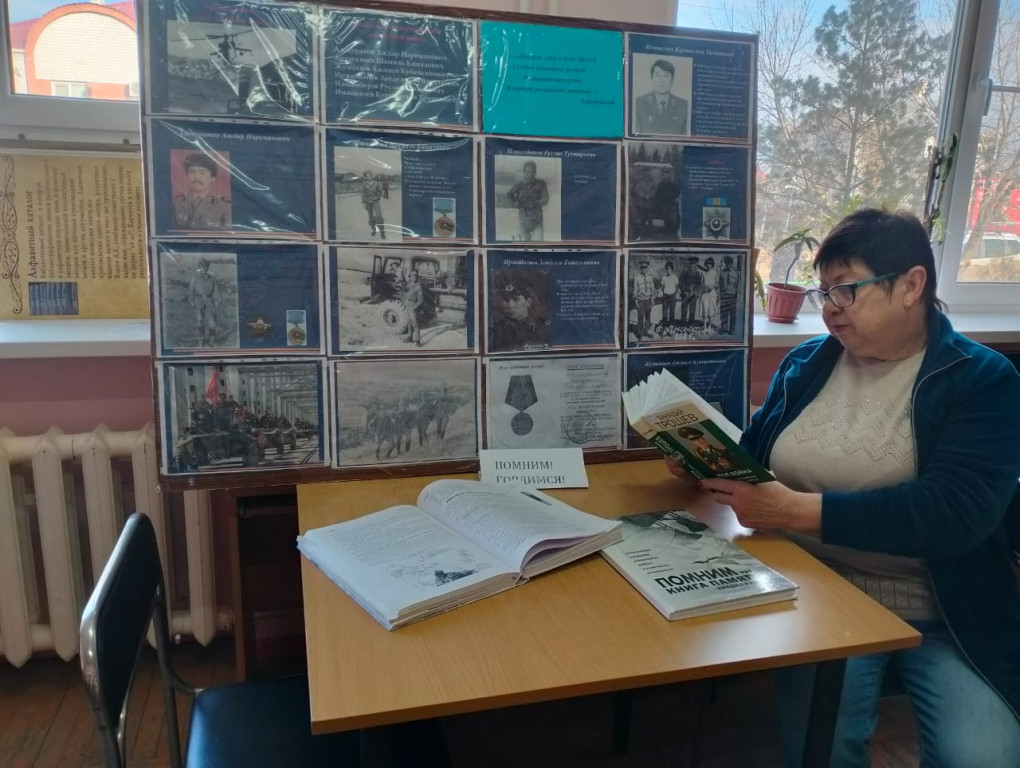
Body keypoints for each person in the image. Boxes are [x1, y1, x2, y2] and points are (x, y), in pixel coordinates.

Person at [665, 208, 1020, 767]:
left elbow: (953, 514)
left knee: (983, 757)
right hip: (812, 590)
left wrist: (796, 511)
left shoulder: (983, 380)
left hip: (945, 611)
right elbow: (756, 456)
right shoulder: (807, 363)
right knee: (825, 749)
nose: (829, 308)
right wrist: (705, 462)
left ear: (912, 285)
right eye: (823, 291)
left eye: (846, 290)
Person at [490, 269, 551, 351]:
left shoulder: (543, 329)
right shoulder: (497, 329)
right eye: (506, 300)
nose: (510, 305)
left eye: (516, 299)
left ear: (528, 302)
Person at [173, 153, 231, 230]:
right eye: (192, 172)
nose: (196, 177)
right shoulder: (177, 203)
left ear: (212, 177)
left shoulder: (225, 207)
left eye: (202, 172)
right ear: (187, 175)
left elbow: (228, 234)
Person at [633, 59, 689, 136]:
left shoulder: (683, 105)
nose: (661, 80)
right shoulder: (639, 103)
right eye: (657, 75)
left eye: (666, 76)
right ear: (652, 78)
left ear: (672, 80)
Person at [505, 160, 549, 242]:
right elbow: (508, 195)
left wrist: (535, 203)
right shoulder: (519, 184)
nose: (530, 174)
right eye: (527, 172)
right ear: (524, 172)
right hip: (523, 219)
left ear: (535, 172)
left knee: (539, 242)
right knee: (524, 244)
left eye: (532, 172)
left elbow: (545, 198)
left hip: (537, 219)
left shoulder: (541, 184)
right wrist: (514, 204)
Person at [187, 258, 220, 345]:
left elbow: (216, 291)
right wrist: (192, 301)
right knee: (200, 321)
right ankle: (201, 341)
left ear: (208, 267)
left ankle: (212, 342)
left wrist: (217, 302)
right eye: (202, 267)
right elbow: (191, 291)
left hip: (209, 301)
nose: (204, 269)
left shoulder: (212, 278)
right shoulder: (195, 278)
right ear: (199, 267)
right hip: (198, 300)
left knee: (212, 323)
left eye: (206, 267)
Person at [632, 260, 655, 340]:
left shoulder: (650, 278)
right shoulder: (637, 278)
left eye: (645, 268)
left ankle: (647, 331)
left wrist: (652, 299)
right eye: (642, 268)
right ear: (640, 269)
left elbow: (652, 289)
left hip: (648, 299)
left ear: (647, 269)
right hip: (640, 300)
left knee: (648, 316)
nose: (644, 270)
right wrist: (636, 301)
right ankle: (640, 333)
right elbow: (635, 290)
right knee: (640, 317)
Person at [400, 270, 424, 347]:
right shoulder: (409, 284)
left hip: (413, 305)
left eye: (414, 277)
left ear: (417, 278)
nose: (413, 278)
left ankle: (418, 341)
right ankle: (409, 337)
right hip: (408, 305)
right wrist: (403, 284)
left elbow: (421, 300)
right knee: (409, 323)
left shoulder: (418, 287)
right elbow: (405, 290)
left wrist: (414, 307)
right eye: (411, 277)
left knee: (415, 324)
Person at [360, 171, 387, 239]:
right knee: (371, 217)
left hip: (375, 201)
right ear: (365, 177)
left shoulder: (376, 183)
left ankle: (382, 233)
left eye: (370, 175)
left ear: (371, 176)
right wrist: (363, 203)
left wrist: (377, 197)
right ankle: (374, 230)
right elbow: (363, 193)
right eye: (367, 176)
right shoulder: (364, 183)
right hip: (368, 201)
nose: (369, 177)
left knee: (379, 216)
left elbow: (380, 192)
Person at [718, 254, 740, 334]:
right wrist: (719, 295)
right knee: (723, 313)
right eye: (726, 263)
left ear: (731, 263)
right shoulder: (722, 273)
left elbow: (738, 285)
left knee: (732, 313)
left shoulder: (736, 273)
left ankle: (731, 330)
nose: (727, 264)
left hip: (732, 295)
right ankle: (724, 328)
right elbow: (719, 284)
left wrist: (738, 296)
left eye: (728, 263)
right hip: (723, 295)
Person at [679, 255, 703, 326]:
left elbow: (699, 284)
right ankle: (683, 324)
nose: (692, 265)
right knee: (684, 310)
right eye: (691, 264)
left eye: (693, 264)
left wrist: (696, 293)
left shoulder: (698, 274)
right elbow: (681, 283)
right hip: (685, 294)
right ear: (689, 264)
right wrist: (683, 291)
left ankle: (691, 324)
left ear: (695, 265)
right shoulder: (684, 272)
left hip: (693, 295)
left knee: (692, 310)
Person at [697, 256, 720, 332]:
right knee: (704, 309)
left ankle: (709, 325)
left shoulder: (715, 272)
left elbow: (717, 283)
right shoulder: (703, 273)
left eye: (710, 264)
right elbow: (701, 283)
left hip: (712, 293)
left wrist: (712, 287)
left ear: (712, 264)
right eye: (707, 264)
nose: (708, 265)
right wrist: (703, 288)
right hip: (704, 293)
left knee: (711, 310)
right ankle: (704, 326)